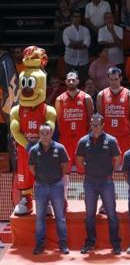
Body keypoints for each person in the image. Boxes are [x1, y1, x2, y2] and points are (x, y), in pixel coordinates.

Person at [75, 113, 122, 255]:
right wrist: (88, 170)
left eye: (97, 125)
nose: (94, 127)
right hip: (90, 182)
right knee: (89, 214)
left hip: (106, 182)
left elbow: (118, 158)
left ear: (103, 125)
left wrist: (110, 172)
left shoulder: (111, 140)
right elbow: (78, 159)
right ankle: (90, 242)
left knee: (112, 214)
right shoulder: (83, 141)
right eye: (92, 124)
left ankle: (116, 244)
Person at [29, 123, 70, 255]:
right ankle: (40, 245)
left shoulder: (60, 148)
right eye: (42, 133)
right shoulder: (34, 150)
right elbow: (32, 168)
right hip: (40, 187)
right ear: (39, 134)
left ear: (51, 133)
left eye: (47, 133)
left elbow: (65, 166)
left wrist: (57, 178)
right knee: (40, 217)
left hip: (56, 186)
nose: (45, 136)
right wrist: (41, 179)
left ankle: (63, 244)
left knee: (60, 217)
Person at [55, 71, 94, 174]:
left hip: (81, 138)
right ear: (65, 81)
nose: (71, 81)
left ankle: (87, 190)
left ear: (78, 81)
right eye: (69, 80)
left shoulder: (86, 98)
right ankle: (64, 190)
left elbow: (91, 119)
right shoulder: (60, 99)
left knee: (84, 168)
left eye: (73, 79)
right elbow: (58, 120)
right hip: (65, 138)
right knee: (64, 168)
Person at [96, 67, 130, 155]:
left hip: (124, 135)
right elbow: (100, 115)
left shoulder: (129, 94)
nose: (114, 82)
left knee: (125, 163)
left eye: (116, 79)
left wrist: (128, 124)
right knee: (108, 162)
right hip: (107, 135)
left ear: (121, 78)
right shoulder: (101, 95)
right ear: (108, 79)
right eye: (111, 79)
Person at [63, 11, 91, 81]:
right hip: (70, 61)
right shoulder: (66, 30)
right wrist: (80, 42)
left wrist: (74, 42)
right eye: (75, 16)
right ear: (72, 18)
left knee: (83, 83)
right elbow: (69, 44)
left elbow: (86, 45)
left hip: (83, 61)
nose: (77, 18)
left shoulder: (86, 30)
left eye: (79, 17)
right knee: (71, 83)